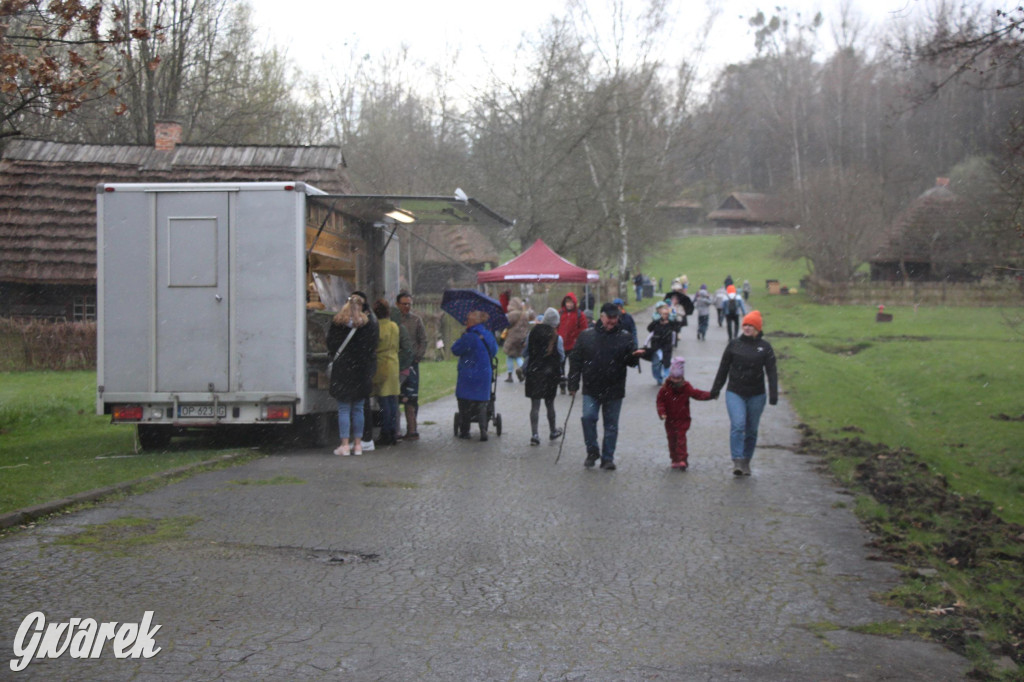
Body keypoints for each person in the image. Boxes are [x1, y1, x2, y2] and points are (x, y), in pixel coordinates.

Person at [568, 302, 645, 471]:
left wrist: (635, 356)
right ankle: (592, 451)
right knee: (588, 418)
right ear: (601, 317)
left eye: (614, 318)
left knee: (611, 426)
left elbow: (630, 362)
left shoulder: (625, 337)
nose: (611, 321)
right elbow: (575, 360)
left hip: (614, 388)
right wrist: (572, 383)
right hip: (591, 388)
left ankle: (607, 458)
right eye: (608, 318)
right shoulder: (586, 336)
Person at [710, 310, 778, 476]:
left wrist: (773, 393)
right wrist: (716, 389)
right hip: (735, 392)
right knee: (738, 424)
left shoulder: (765, 347)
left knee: (752, 429)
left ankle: (747, 460)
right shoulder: (734, 345)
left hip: (757, 394)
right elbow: (723, 368)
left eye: (751, 325)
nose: (747, 328)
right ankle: (738, 460)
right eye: (745, 325)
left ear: (757, 328)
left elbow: (771, 371)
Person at [327, 292, 378, 457]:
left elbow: (331, 345)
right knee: (358, 409)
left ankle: (344, 445)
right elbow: (371, 348)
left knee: (343, 409)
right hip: (361, 371)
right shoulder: (367, 324)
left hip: (342, 370)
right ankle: (358, 445)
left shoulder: (337, 323)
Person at [657, 357, 713, 470]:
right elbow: (660, 401)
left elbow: (696, 394)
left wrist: (710, 395)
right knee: (672, 439)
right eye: (674, 378)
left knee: (681, 439)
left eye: (678, 379)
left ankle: (682, 459)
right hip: (670, 420)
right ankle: (674, 459)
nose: (676, 381)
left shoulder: (686, 387)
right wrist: (662, 412)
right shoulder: (665, 389)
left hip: (683, 419)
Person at [451, 310, 499, 441]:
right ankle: (483, 429)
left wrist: (461, 339)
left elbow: (455, 350)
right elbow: (494, 351)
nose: (466, 320)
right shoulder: (488, 334)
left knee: (464, 402)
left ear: (474, 321)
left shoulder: (468, 337)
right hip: (484, 373)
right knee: (482, 402)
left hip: (468, 372)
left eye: (468, 318)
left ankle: (465, 430)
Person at [522, 307, 565, 446]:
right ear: (556, 323)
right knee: (549, 404)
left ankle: (534, 435)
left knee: (535, 405)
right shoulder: (557, 338)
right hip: (550, 374)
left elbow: (526, 352)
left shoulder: (532, 333)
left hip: (534, 372)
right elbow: (562, 356)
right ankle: (552, 431)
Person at [395, 292, 428, 440]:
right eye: (404, 304)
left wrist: (417, 357)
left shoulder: (416, 320)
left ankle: (412, 429)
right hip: (396, 364)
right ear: (398, 304)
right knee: (395, 397)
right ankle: (395, 429)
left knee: (412, 397)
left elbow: (423, 340)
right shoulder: (393, 321)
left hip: (412, 364)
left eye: (409, 304)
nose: (407, 307)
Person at [371, 299, 401, 447]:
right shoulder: (394, 326)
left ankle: (386, 431)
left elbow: (375, 345)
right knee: (392, 400)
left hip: (381, 363)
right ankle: (394, 432)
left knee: (383, 401)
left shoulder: (376, 328)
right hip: (394, 363)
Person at [556, 292, 589, 394]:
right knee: (559, 367)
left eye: (570, 302)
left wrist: (578, 341)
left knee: (574, 368)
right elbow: (555, 326)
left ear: (574, 303)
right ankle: (562, 385)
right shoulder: (560, 313)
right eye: (567, 302)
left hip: (574, 345)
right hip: (561, 345)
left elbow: (584, 329)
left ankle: (572, 387)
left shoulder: (580, 315)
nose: (569, 305)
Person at [644, 302, 682, 385]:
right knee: (656, 365)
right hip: (656, 346)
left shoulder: (671, 322)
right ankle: (658, 378)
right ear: (660, 314)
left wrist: (674, 318)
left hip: (667, 346)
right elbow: (649, 329)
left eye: (666, 313)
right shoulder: (656, 322)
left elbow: (677, 328)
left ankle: (667, 380)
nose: (665, 315)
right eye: (663, 314)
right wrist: (658, 321)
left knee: (666, 364)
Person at [502, 297, 532, 382]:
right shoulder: (525, 314)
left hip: (512, 338)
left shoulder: (512, 314)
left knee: (510, 356)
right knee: (518, 356)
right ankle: (524, 370)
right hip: (522, 338)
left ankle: (510, 375)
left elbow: (507, 324)